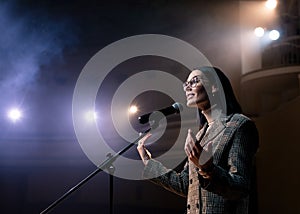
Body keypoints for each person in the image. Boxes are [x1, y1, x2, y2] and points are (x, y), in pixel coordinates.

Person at [137, 66, 259, 214]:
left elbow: (240, 186)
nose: (188, 87)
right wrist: (148, 162)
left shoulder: (239, 125)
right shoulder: (200, 135)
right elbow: (185, 185)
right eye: (186, 84)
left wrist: (208, 169)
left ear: (214, 87)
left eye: (194, 81)